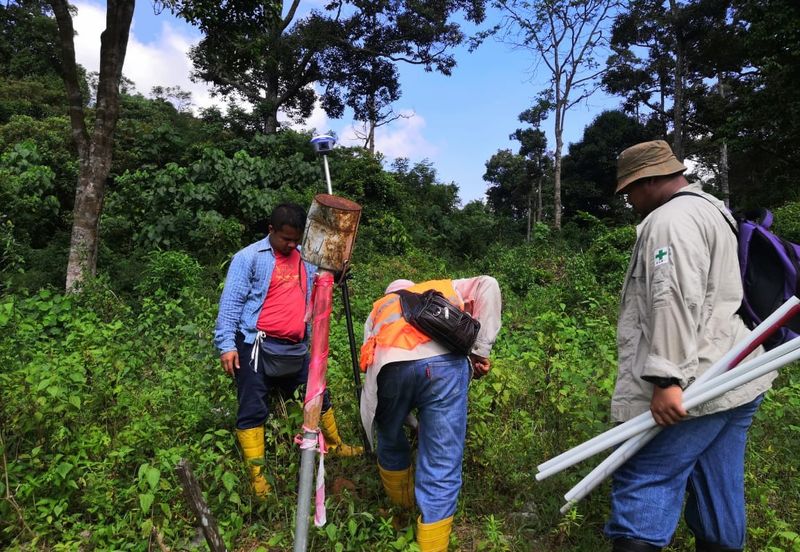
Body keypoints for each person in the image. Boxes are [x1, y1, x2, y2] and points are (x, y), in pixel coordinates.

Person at [605, 140, 776, 552]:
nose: (629, 200)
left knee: (644, 477)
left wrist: (667, 379)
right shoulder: (712, 210)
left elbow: (672, 297)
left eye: (629, 190)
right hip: (735, 374)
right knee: (718, 490)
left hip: (695, 381)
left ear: (648, 180)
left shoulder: (670, 221)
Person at [214, 203, 362, 500]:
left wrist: (340, 264)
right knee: (253, 407)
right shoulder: (248, 258)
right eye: (286, 239)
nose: (291, 245)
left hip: (295, 347)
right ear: (271, 231)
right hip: (255, 345)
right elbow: (231, 303)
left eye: (296, 240)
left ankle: (334, 443)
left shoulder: (305, 260)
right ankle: (259, 481)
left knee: (318, 393)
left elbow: (325, 282)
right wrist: (227, 345)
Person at [359, 277, 502, 552]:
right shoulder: (444, 287)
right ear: (414, 285)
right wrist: (479, 351)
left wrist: (405, 418)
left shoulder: (380, 306)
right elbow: (489, 284)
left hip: (389, 366)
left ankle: (401, 508)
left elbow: (369, 362)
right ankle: (432, 546)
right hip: (445, 365)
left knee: (388, 435)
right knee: (442, 457)